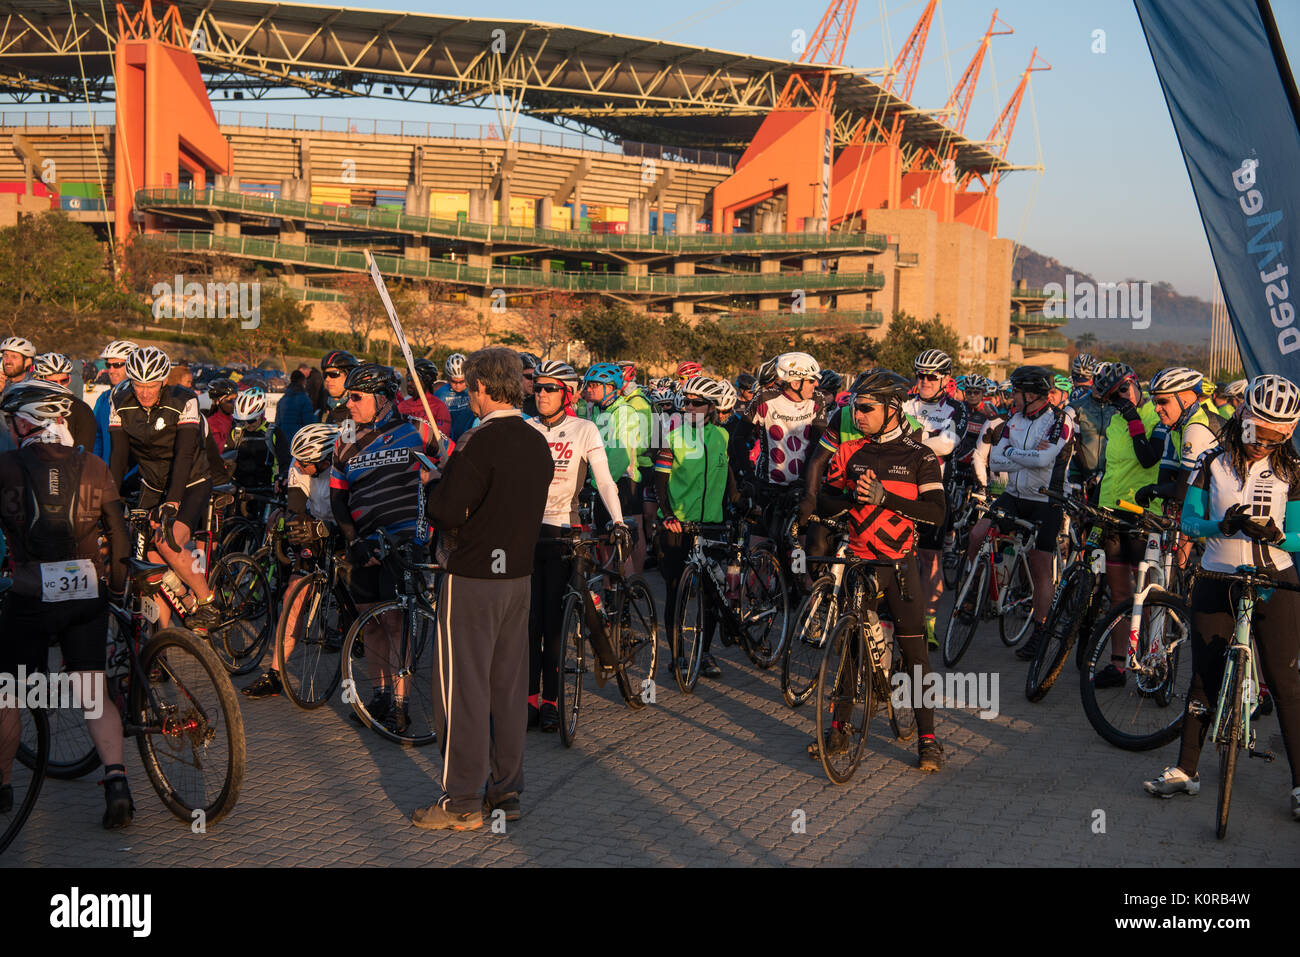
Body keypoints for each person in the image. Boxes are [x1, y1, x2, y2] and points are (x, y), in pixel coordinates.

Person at [1148, 374, 1300, 822]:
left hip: (1274, 582)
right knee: (1203, 680)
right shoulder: (1212, 461)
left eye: (1275, 436)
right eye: (1257, 431)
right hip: (1216, 576)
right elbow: (1189, 523)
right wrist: (1223, 526)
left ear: (1289, 432)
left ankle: (1298, 784)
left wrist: (1280, 535)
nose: (1262, 443)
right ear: (1243, 417)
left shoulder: (1293, 470)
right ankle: (1186, 770)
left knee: (1287, 684)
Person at [412, 348, 553, 831]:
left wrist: (434, 482)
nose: (468, 394)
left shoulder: (479, 440)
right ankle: (506, 791)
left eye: (471, 387)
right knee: (508, 688)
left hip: (472, 579)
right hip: (517, 578)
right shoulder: (537, 441)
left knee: (462, 690)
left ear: (484, 388)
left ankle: (462, 801)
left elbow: (448, 511)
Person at [0, 382, 132, 827]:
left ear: (25, 421)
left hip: (30, 592)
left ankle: (3, 788)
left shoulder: (6, 466)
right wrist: (114, 589)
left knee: (10, 692)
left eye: (10, 420)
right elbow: (118, 533)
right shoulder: (93, 464)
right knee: (93, 692)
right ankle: (116, 783)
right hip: (86, 592)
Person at [808, 369, 948, 770]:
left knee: (915, 651)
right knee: (852, 648)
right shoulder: (852, 453)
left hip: (900, 566)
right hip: (859, 563)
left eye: (867, 408)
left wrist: (886, 498)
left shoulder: (919, 455)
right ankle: (839, 731)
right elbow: (827, 503)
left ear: (892, 409)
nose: (858, 416)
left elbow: (937, 515)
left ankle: (927, 740)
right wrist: (843, 499)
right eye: (854, 408)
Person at [330, 363, 435, 734]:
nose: (349, 404)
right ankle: (378, 696)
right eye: (347, 397)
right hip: (364, 544)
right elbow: (338, 497)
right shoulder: (345, 439)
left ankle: (401, 705)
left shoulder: (418, 430)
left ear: (382, 398)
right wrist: (353, 541)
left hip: (404, 540)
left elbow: (455, 461)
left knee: (395, 623)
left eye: (356, 397)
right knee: (370, 621)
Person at [526, 360, 628, 731]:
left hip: (561, 531)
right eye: (537, 388)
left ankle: (551, 700)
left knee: (552, 625)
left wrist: (617, 521)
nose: (541, 394)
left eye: (550, 388)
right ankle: (529, 702)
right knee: (528, 624)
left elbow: (604, 482)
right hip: (525, 532)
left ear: (566, 393)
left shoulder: (583, 430)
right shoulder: (526, 428)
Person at [967, 366, 1073, 662]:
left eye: (1014, 392)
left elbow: (1044, 459)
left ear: (1030, 394)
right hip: (1013, 495)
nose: (1010, 397)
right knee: (977, 534)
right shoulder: (1013, 419)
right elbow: (996, 460)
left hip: (1046, 500)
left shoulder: (1060, 421)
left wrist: (1014, 456)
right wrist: (1021, 458)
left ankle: (1040, 631)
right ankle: (973, 593)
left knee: (1040, 564)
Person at [108, 346, 217, 629]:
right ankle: (161, 644)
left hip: (191, 480)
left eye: (152, 385)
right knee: (148, 560)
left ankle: (206, 601)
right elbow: (118, 459)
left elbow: (183, 455)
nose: (144, 393)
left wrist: (174, 502)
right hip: (153, 482)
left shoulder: (184, 399)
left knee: (166, 541)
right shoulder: (119, 399)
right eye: (138, 385)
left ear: (164, 381)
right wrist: (107, 498)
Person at [242, 423, 340, 699]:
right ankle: (275, 673)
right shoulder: (298, 466)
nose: (296, 464)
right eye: (295, 458)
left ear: (324, 459)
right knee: (293, 597)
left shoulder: (342, 466)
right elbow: (297, 509)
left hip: (344, 531)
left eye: (304, 461)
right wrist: (295, 526)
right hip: (316, 529)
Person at [656, 376, 739, 681]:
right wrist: (667, 516)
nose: (689, 407)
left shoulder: (721, 436)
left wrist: (738, 499)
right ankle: (677, 654)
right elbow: (660, 483)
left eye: (697, 403)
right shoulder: (673, 437)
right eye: (686, 402)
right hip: (678, 525)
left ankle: (704, 652)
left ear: (712, 408)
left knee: (711, 593)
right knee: (676, 589)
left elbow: (727, 472)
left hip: (712, 524)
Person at [1092, 361, 1165, 687]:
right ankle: (1118, 664)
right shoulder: (1116, 424)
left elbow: (1148, 458)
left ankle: (1152, 661)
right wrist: (1096, 512)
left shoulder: (1155, 417)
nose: (1122, 398)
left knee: (1146, 596)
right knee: (1119, 593)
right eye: (1114, 395)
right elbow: (1112, 472)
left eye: (1124, 388)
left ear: (1136, 382)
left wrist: (1135, 417)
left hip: (1143, 515)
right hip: (1113, 514)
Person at [903, 349, 967, 648]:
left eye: (932, 376)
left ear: (945, 380)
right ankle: (903, 615)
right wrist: (927, 441)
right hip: (901, 492)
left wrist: (910, 442)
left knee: (930, 559)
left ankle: (928, 625)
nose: (925, 381)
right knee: (902, 557)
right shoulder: (903, 404)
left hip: (934, 494)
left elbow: (946, 445)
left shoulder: (955, 408)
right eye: (920, 375)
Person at [581, 362, 649, 575]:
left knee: (620, 544)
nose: (588, 388)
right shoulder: (597, 410)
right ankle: (612, 592)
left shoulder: (624, 411)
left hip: (620, 480)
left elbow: (619, 454)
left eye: (594, 384)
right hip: (603, 481)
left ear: (610, 387)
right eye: (587, 384)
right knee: (604, 542)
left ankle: (629, 590)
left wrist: (595, 482)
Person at [34, 353, 96, 450]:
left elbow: (85, 451)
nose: (59, 386)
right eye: (53, 382)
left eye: (63, 381)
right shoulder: (30, 406)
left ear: (69, 379)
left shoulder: (82, 410)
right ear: (40, 380)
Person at [93, 341, 138, 460]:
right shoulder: (103, 398)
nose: (111, 370)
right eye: (108, 365)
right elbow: (97, 436)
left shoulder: (144, 398)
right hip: (107, 472)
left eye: (117, 365)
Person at [432, 353, 475, 441]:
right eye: (454, 382)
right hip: (447, 439)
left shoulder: (474, 391)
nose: (458, 386)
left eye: (462, 382)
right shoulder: (440, 393)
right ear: (448, 378)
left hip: (469, 437)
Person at [274, 369, 316, 451]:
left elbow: (277, 422)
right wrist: (315, 418)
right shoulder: (305, 399)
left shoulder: (282, 400)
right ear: (301, 381)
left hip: (283, 440)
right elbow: (308, 424)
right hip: (298, 441)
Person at [319, 350, 359, 425]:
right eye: (325, 375)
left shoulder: (358, 414)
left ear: (349, 376)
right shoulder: (330, 408)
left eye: (333, 374)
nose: (327, 379)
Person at [205, 378, 238, 453]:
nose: (235, 403)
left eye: (236, 399)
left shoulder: (236, 419)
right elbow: (218, 451)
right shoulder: (212, 424)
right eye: (229, 401)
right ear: (217, 401)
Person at [519, 352, 540, 418]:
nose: (533, 381)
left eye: (536, 378)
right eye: (529, 377)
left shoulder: (541, 401)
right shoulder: (505, 401)